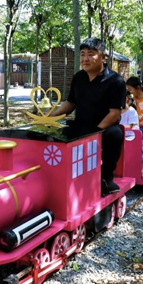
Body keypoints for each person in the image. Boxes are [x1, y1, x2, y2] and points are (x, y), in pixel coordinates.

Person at [52, 37, 126, 196]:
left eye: (91, 54)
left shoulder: (116, 81)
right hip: (81, 124)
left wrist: (95, 132)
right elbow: (71, 102)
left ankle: (106, 178)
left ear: (103, 57)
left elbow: (115, 114)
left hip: (104, 128)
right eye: (83, 54)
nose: (85, 59)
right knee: (55, 134)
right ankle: (61, 176)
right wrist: (51, 117)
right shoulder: (78, 77)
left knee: (115, 135)